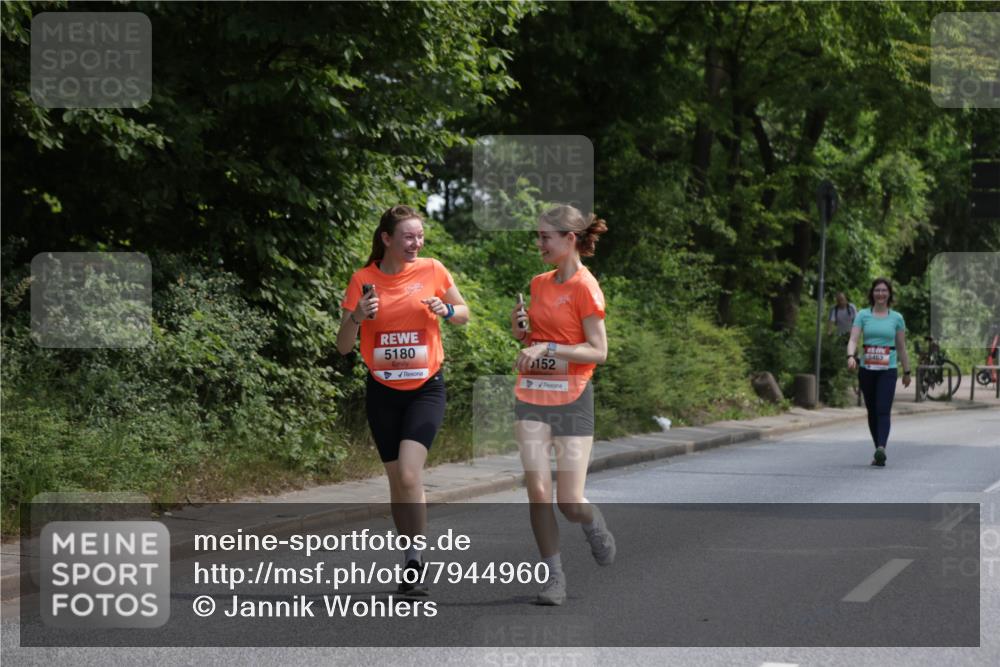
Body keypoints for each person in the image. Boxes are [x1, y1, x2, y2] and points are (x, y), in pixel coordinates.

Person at [336, 204, 469, 595]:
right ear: (387, 239)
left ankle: (416, 559)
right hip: (382, 391)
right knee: (398, 483)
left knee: (410, 474)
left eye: (420, 236)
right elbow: (343, 347)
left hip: (426, 387)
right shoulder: (363, 280)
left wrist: (446, 309)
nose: (417, 243)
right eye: (409, 236)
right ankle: (410, 557)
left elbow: (464, 313)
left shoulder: (432, 270)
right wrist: (357, 316)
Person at [510, 204, 615, 606]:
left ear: (570, 240)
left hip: (572, 399)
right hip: (532, 394)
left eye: (545, 237)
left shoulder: (586, 288)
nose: (539, 244)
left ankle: (593, 522)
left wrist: (548, 347)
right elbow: (531, 340)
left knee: (569, 502)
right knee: (538, 491)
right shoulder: (539, 284)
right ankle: (554, 577)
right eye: (538, 236)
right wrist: (521, 329)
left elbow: (599, 351)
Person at [846, 278, 911, 467]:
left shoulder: (896, 318)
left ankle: (881, 447)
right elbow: (853, 339)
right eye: (877, 290)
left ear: (889, 294)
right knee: (872, 411)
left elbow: (901, 347)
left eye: (884, 291)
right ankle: (878, 451)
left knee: (883, 409)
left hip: (887, 370)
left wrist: (907, 371)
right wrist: (851, 356)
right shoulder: (863, 315)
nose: (880, 294)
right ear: (872, 293)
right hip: (867, 370)